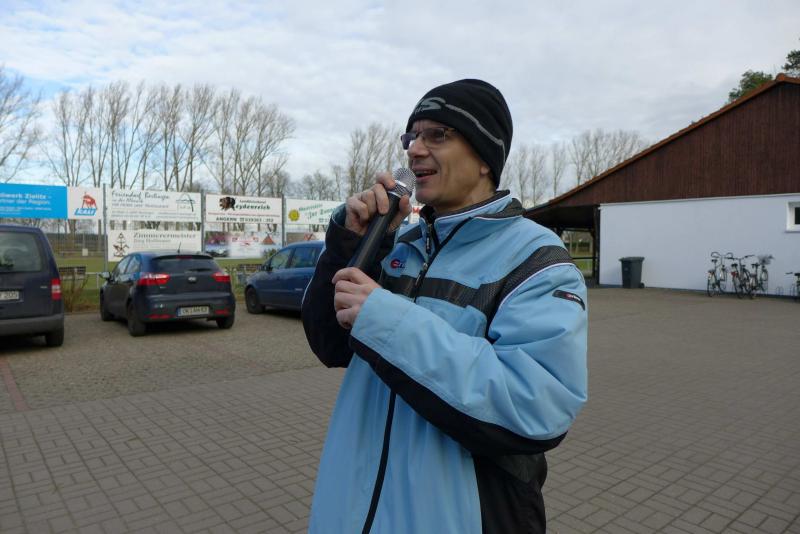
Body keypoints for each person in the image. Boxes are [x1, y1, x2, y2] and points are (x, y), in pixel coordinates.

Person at [301, 79, 588, 534]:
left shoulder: (536, 259)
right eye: (412, 136)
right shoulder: (401, 243)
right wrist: (348, 244)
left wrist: (385, 319)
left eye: (437, 135)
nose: (415, 150)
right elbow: (330, 344)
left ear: (485, 157)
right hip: (350, 515)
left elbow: (536, 408)